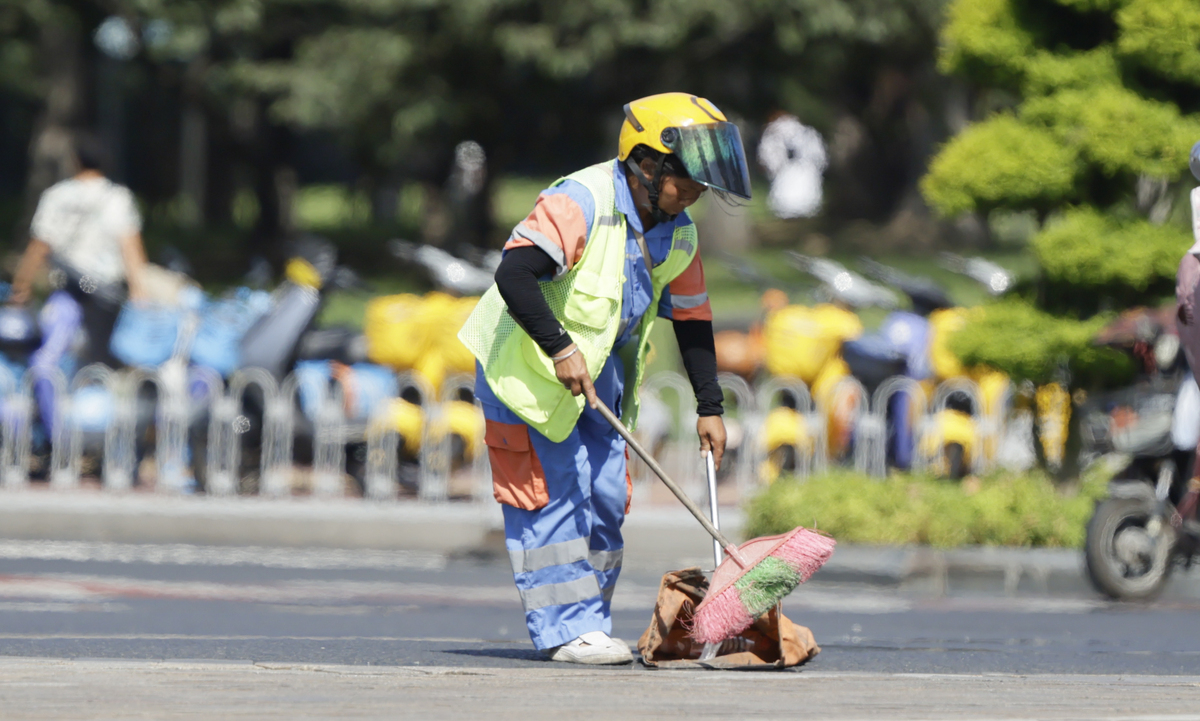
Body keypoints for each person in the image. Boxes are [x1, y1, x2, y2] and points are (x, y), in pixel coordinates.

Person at [458, 93, 752, 664]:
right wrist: (560, 347)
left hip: (596, 376)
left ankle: (591, 622)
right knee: (554, 495)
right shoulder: (581, 201)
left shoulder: (680, 233)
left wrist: (710, 406)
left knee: (607, 496)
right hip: (526, 370)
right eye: (685, 180)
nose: (695, 194)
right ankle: (568, 631)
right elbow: (515, 275)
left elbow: (693, 323)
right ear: (646, 165)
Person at [11, 132, 147, 366]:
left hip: (68, 289)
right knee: (98, 358)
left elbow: (40, 246)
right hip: (103, 292)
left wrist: (22, 286)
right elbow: (130, 248)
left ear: (75, 160)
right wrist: (138, 290)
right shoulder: (118, 198)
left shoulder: (57, 196)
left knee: (55, 352)